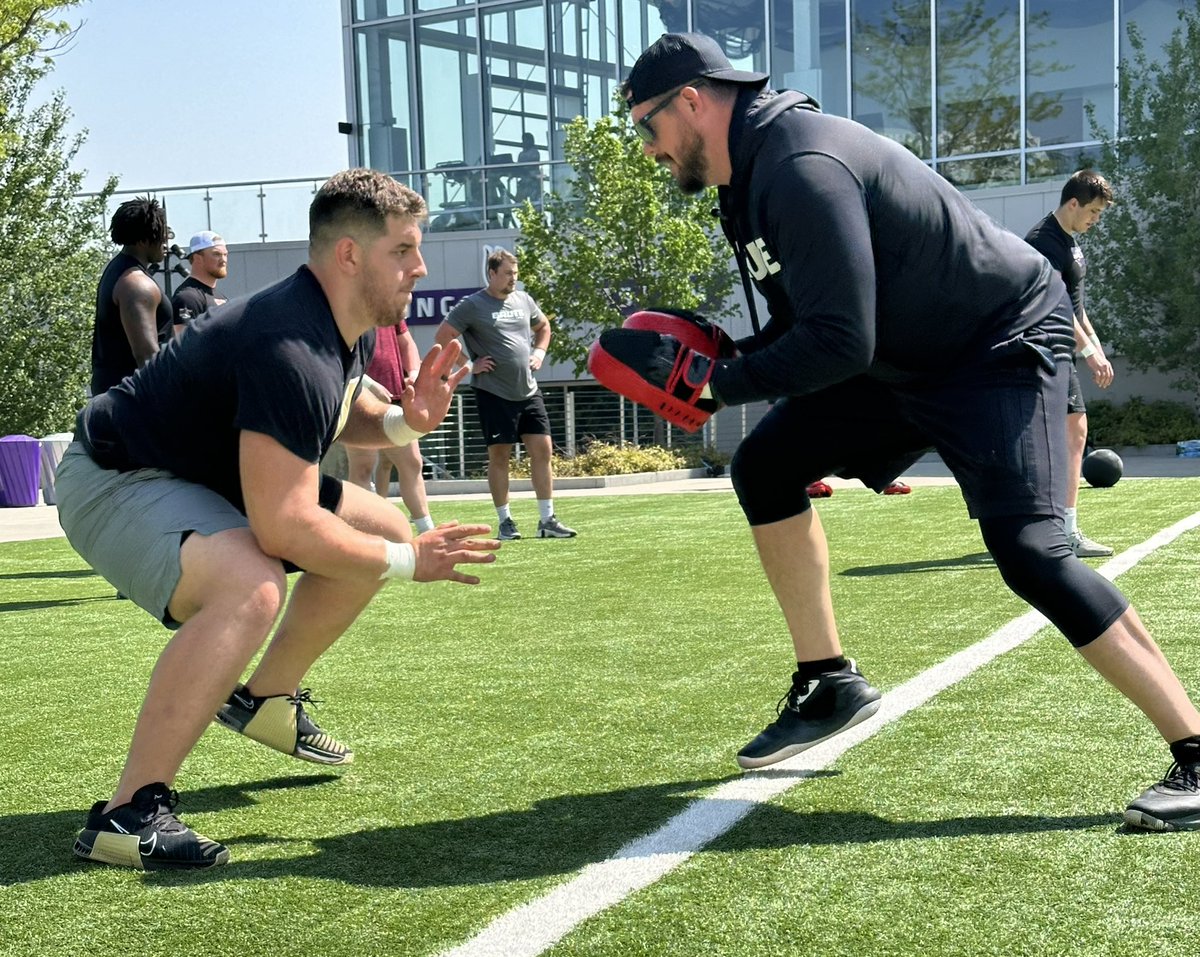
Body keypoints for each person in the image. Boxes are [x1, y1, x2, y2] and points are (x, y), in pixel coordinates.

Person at [619, 33, 1200, 830]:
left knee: (1032, 551)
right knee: (766, 464)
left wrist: (717, 383)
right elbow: (812, 324)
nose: (648, 151)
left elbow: (837, 341)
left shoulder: (799, 166)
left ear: (692, 100)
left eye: (646, 128)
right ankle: (828, 680)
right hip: (905, 354)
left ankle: (1197, 752)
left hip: (997, 340)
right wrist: (732, 362)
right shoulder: (744, 179)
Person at [56, 168, 500, 870]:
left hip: (191, 469)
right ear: (350, 255)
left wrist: (399, 423)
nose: (419, 266)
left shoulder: (333, 321)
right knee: (253, 583)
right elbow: (286, 527)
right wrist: (415, 560)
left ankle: (266, 698)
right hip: (115, 475)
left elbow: (342, 401)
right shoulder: (289, 341)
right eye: (405, 249)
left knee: (379, 523)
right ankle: (127, 814)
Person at [435, 248, 577, 541]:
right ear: (491, 274)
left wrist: (539, 352)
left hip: (528, 390)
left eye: (516, 273)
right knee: (500, 456)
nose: (513, 278)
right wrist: (470, 365)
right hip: (493, 393)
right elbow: (443, 336)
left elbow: (544, 327)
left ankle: (547, 520)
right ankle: (506, 522)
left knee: (543, 450)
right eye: (508, 273)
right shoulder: (472, 305)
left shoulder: (524, 299)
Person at [1024, 171, 1116, 558]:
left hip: (1065, 346)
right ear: (1073, 203)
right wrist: (1087, 352)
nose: (1095, 219)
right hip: (1045, 348)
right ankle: (1065, 530)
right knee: (1073, 431)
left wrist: (1097, 348)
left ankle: (1051, 526)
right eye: (1092, 211)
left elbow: (1077, 305)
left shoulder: (1071, 244)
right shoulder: (1044, 242)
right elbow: (1056, 307)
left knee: (1064, 436)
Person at [343, 321, 436, 533]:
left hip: (396, 398)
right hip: (360, 398)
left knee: (412, 463)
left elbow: (407, 342)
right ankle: (362, 533)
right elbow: (338, 351)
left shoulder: (389, 306)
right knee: (362, 467)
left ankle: (427, 531)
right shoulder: (347, 303)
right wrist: (368, 384)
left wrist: (413, 372)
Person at [90, 197, 174, 395]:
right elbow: (146, 357)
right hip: (131, 403)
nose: (166, 243)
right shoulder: (136, 284)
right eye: (162, 236)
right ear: (144, 240)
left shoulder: (118, 270)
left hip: (119, 398)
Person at [171, 230, 229, 334]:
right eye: (217, 254)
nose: (223, 260)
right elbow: (182, 344)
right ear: (197, 258)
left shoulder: (220, 296)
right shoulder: (188, 298)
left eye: (225, 254)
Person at [515, 132, 543, 206]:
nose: (525, 142)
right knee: (520, 202)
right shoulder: (521, 154)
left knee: (535, 201)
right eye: (524, 140)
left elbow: (532, 163)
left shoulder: (535, 152)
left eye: (527, 140)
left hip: (533, 180)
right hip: (524, 180)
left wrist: (523, 167)